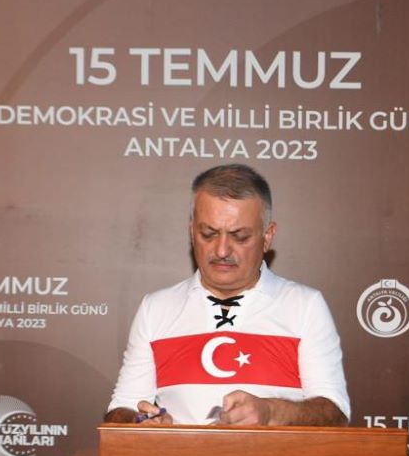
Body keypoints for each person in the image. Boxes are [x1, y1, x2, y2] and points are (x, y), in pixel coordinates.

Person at [105, 164, 349, 426]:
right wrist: (141, 421)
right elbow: (120, 409)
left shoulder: (304, 306)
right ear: (191, 231)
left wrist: (270, 412)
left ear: (267, 236)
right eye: (208, 234)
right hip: (179, 455)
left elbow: (335, 414)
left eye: (239, 236)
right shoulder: (156, 308)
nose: (221, 250)